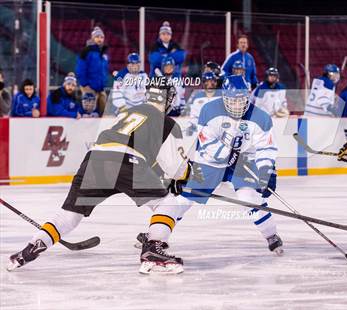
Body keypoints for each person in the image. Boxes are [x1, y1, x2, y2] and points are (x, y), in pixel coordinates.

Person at [7, 78, 190, 273]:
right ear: (168, 98)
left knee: (70, 215)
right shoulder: (167, 121)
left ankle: (31, 248)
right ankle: (153, 248)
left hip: (94, 160)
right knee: (168, 202)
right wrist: (181, 179)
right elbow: (176, 168)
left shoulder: (127, 112)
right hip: (126, 162)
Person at [137, 75, 283, 274]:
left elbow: (266, 149)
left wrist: (266, 172)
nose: (237, 105)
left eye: (241, 100)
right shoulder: (209, 110)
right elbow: (207, 145)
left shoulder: (261, 117)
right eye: (232, 100)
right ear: (224, 98)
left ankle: (271, 235)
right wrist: (232, 155)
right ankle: (157, 237)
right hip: (210, 162)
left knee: (249, 197)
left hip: (241, 164)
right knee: (184, 199)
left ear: (248, 96)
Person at [76, 26, 109, 115]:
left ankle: (103, 125)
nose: (99, 39)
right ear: (92, 38)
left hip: (99, 87)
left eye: (101, 37)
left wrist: (103, 84)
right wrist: (84, 84)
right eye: (97, 37)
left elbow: (104, 72)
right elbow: (80, 69)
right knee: (88, 109)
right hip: (89, 86)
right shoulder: (86, 51)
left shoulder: (103, 54)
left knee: (104, 106)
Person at [185, 71, 221, 136]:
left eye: (211, 82)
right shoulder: (197, 97)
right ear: (203, 83)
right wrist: (194, 125)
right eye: (207, 82)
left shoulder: (221, 96)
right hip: (200, 131)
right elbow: (193, 116)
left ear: (215, 83)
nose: (209, 84)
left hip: (217, 131)